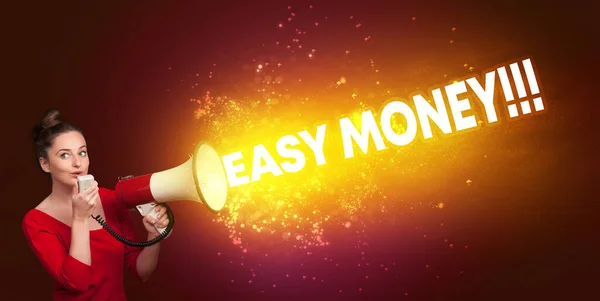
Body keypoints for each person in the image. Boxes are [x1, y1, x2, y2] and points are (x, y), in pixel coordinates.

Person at [22, 109, 169, 301]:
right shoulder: (36, 221)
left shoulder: (111, 200)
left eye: (82, 152)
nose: (77, 163)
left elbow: (142, 272)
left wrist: (154, 235)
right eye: (65, 155)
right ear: (45, 164)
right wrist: (80, 219)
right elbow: (77, 283)